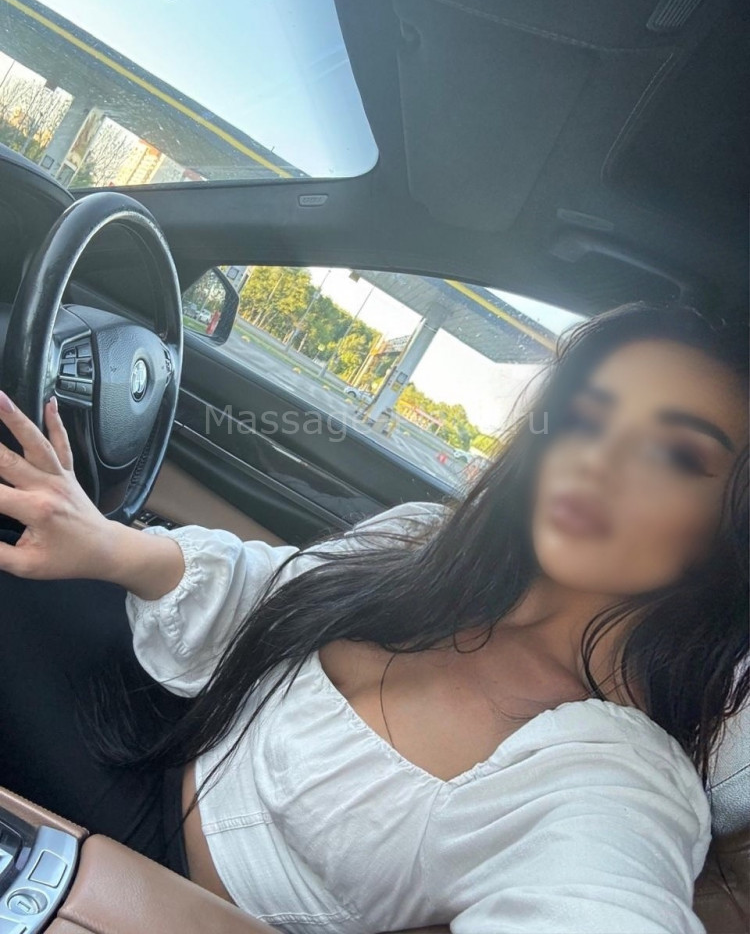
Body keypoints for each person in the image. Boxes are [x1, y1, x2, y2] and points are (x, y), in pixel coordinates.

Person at [0, 301, 746, 934]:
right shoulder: (423, 541)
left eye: (677, 455)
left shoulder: (615, 781)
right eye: (587, 418)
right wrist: (106, 543)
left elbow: (603, 899)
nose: (600, 461)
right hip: (166, 725)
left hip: (142, 883)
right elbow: (267, 591)